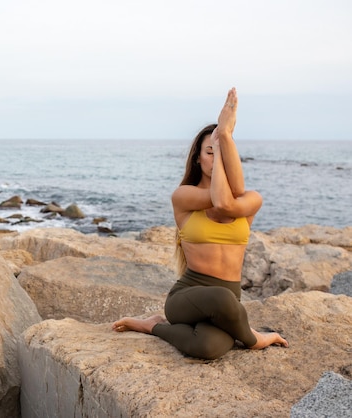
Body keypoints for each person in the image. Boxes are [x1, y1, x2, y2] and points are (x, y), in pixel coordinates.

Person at [112, 87, 288, 360]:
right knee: (223, 301)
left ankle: (153, 326)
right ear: (197, 157)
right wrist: (222, 141)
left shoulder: (251, 200)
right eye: (209, 152)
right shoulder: (184, 197)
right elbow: (219, 202)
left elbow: (230, 197)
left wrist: (225, 136)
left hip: (228, 299)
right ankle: (253, 337)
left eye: (221, 153)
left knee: (210, 347)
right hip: (187, 296)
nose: (216, 158)